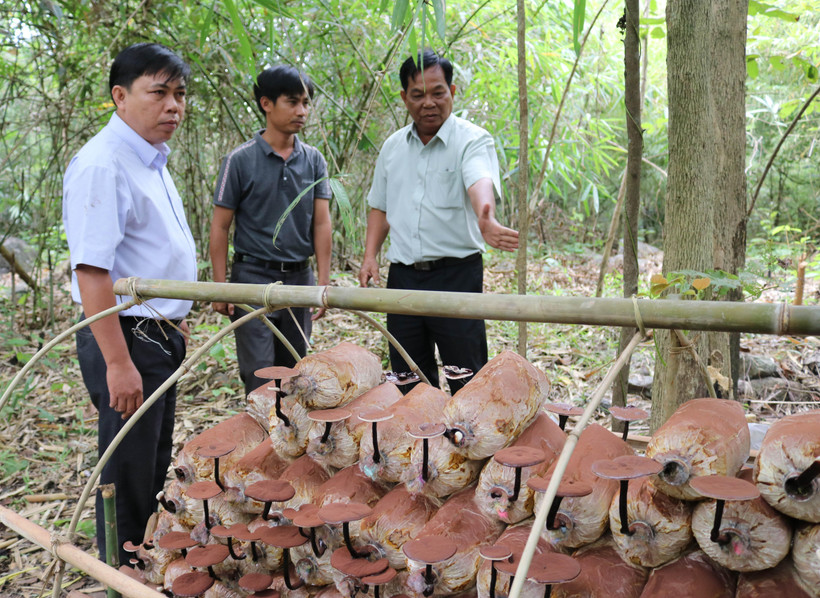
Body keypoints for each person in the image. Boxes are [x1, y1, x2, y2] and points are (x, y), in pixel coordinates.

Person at [62, 43, 196, 564]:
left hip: (156, 331)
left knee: (149, 457)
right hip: (126, 334)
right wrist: (118, 362)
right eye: (158, 93)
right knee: (127, 467)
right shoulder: (103, 163)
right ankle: (120, 570)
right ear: (120, 96)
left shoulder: (149, 157)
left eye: (180, 95)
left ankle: (142, 561)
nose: (173, 107)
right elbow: (93, 272)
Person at [358, 50, 519, 393]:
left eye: (438, 92)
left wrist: (485, 216)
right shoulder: (392, 148)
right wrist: (370, 255)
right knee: (409, 378)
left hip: (456, 276)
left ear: (453, 92)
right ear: (404, 98)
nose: (428, 103)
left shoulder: (472, 139)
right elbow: (380, 207)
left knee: (467, 377)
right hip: (402, 279)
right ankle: (421, 445)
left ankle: (468, 444)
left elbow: (479, 180)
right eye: (418, 95)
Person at [210, 65, 332, 396]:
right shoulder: (239, 160)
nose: (302, 111)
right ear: (266, 103)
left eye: (306, 103)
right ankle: (262, 442)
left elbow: (321, 221)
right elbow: (221, 225)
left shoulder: (313, 160)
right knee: (260, 374)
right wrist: (220, 287)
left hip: (299, 278)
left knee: (295, 370)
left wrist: (323, 281)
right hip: (251, 278)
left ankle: (289, 444)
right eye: (292, 102)